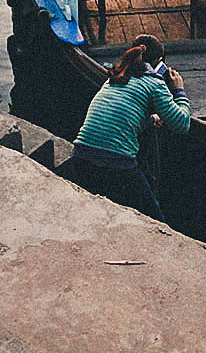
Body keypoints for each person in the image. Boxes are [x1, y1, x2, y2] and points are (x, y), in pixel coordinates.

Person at [63, 34, 190, 221]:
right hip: (116, 163)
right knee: (155, 220)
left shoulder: (115, 77)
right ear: (159, 62)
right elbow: (182, 124)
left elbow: (122, 113)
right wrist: (179, 90)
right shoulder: (155, 84)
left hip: (81, 156)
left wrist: (150, 120)